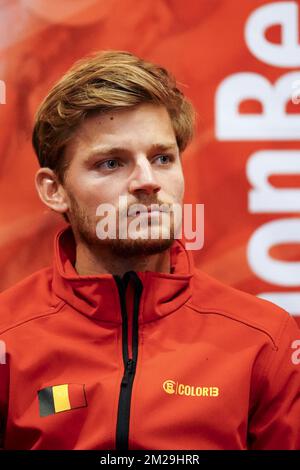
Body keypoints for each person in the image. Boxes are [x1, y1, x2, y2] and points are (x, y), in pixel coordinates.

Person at [0, 50, 299, 451]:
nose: (147, 181)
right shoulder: (7, 338)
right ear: (54, 191)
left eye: (161, 158)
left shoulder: (267, 338)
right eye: (111, 163)